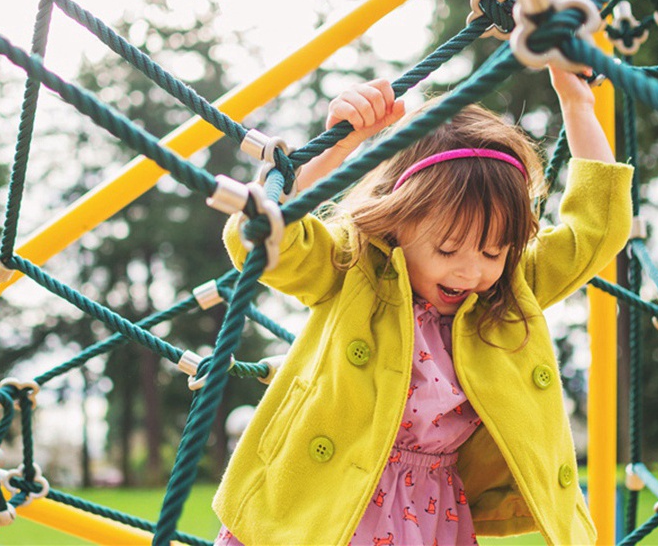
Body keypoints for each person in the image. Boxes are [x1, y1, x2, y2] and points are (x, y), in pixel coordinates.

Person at [212, 67, 633, 546]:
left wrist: (578, 107)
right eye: (448, 249)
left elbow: (595, 232)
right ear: (398, 222)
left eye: (494, 251)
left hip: (429, 512)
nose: (471, 272)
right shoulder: (356, 269)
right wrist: (338, 148)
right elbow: (267, 240)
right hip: (321, 499)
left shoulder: (508, 295)